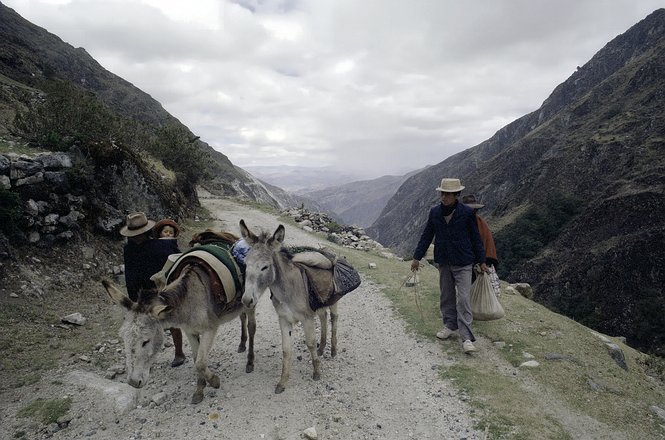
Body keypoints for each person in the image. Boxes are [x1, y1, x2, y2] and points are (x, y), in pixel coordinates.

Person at [411, 178, 488, 354]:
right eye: (442, 193)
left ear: (456, 195)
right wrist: (417, 257)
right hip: (444, 261)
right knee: (446, 295)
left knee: (463, 298)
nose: (444, 197)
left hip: (463, 261)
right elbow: (426, 235)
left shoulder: (467, 213)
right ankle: (449, 325)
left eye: (448, 194)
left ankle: (466, 337)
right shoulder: (435, 212)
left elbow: (476, 238)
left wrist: (482, 261)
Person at [120, 212, 186, 367]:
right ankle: (143, 357)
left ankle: (179, 353)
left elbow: (176, 262)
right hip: (141, 293)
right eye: (133, 235)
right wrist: (133, 300)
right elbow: (130, 274)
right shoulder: (129, 250)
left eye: (139, 234)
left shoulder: (163, 246)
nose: (136, 237)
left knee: (171, 321)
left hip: (161, 290)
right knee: (144, 327)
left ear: (146, 232)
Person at [462, 194, 498, 282]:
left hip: (479, 263)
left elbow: (486, 244)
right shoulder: (461, 222)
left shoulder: (481, 224)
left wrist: (483, 262)